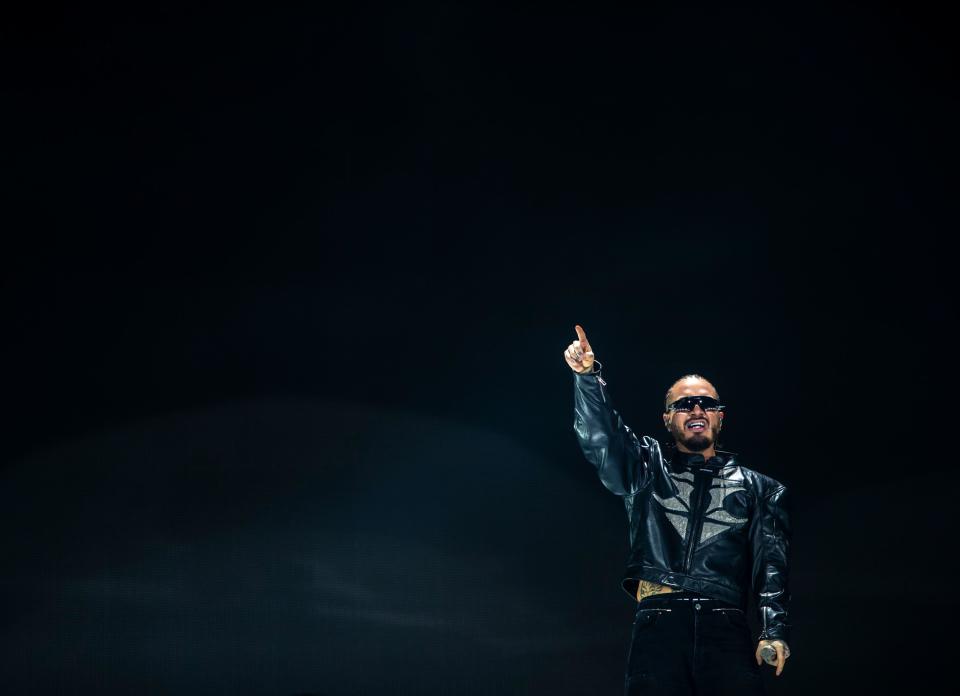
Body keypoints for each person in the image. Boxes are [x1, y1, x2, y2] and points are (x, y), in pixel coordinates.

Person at [564, 324, 791, 695]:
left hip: (726, 625)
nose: (696, 409)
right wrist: (588, 378)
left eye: (707, 403)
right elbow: (600, 438)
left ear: (721, 417)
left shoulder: (762, 489)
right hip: (660, 621)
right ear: (667, 418)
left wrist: (775, 630)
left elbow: (771, 565)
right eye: (684, 405)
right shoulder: (645, 468)